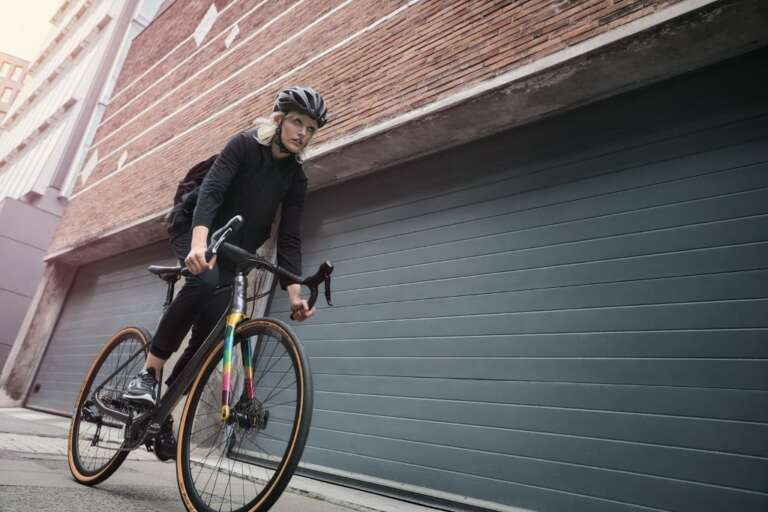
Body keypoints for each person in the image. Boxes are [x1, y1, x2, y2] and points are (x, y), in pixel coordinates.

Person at [122, 86, 328, 461]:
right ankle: (147, 375)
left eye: (311, 129)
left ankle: (163, 412)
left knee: (212, 336)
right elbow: (212, 192)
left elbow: (289, 236)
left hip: (236, 248)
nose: (303, 133)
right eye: (297, 122)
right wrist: (199, 245)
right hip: (197, 227)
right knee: (204, 280)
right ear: (279, 120)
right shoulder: (244, 145)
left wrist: (295, 293)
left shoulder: (295, 177)